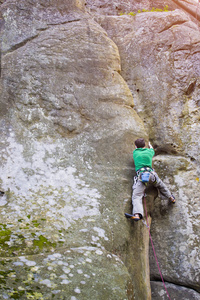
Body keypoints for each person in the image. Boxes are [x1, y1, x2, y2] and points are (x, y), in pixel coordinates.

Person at [125, 138, 175, 221]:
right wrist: (150, 146)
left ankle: (137, 214)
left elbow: (137, 150)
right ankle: (171, 198)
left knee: (137, 196)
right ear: (145, 145)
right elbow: (152, 150)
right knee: (161, 185)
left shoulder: (135, 153)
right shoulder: (150, 152)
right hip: (152, 175)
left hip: (142, 177)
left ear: (135, 146)